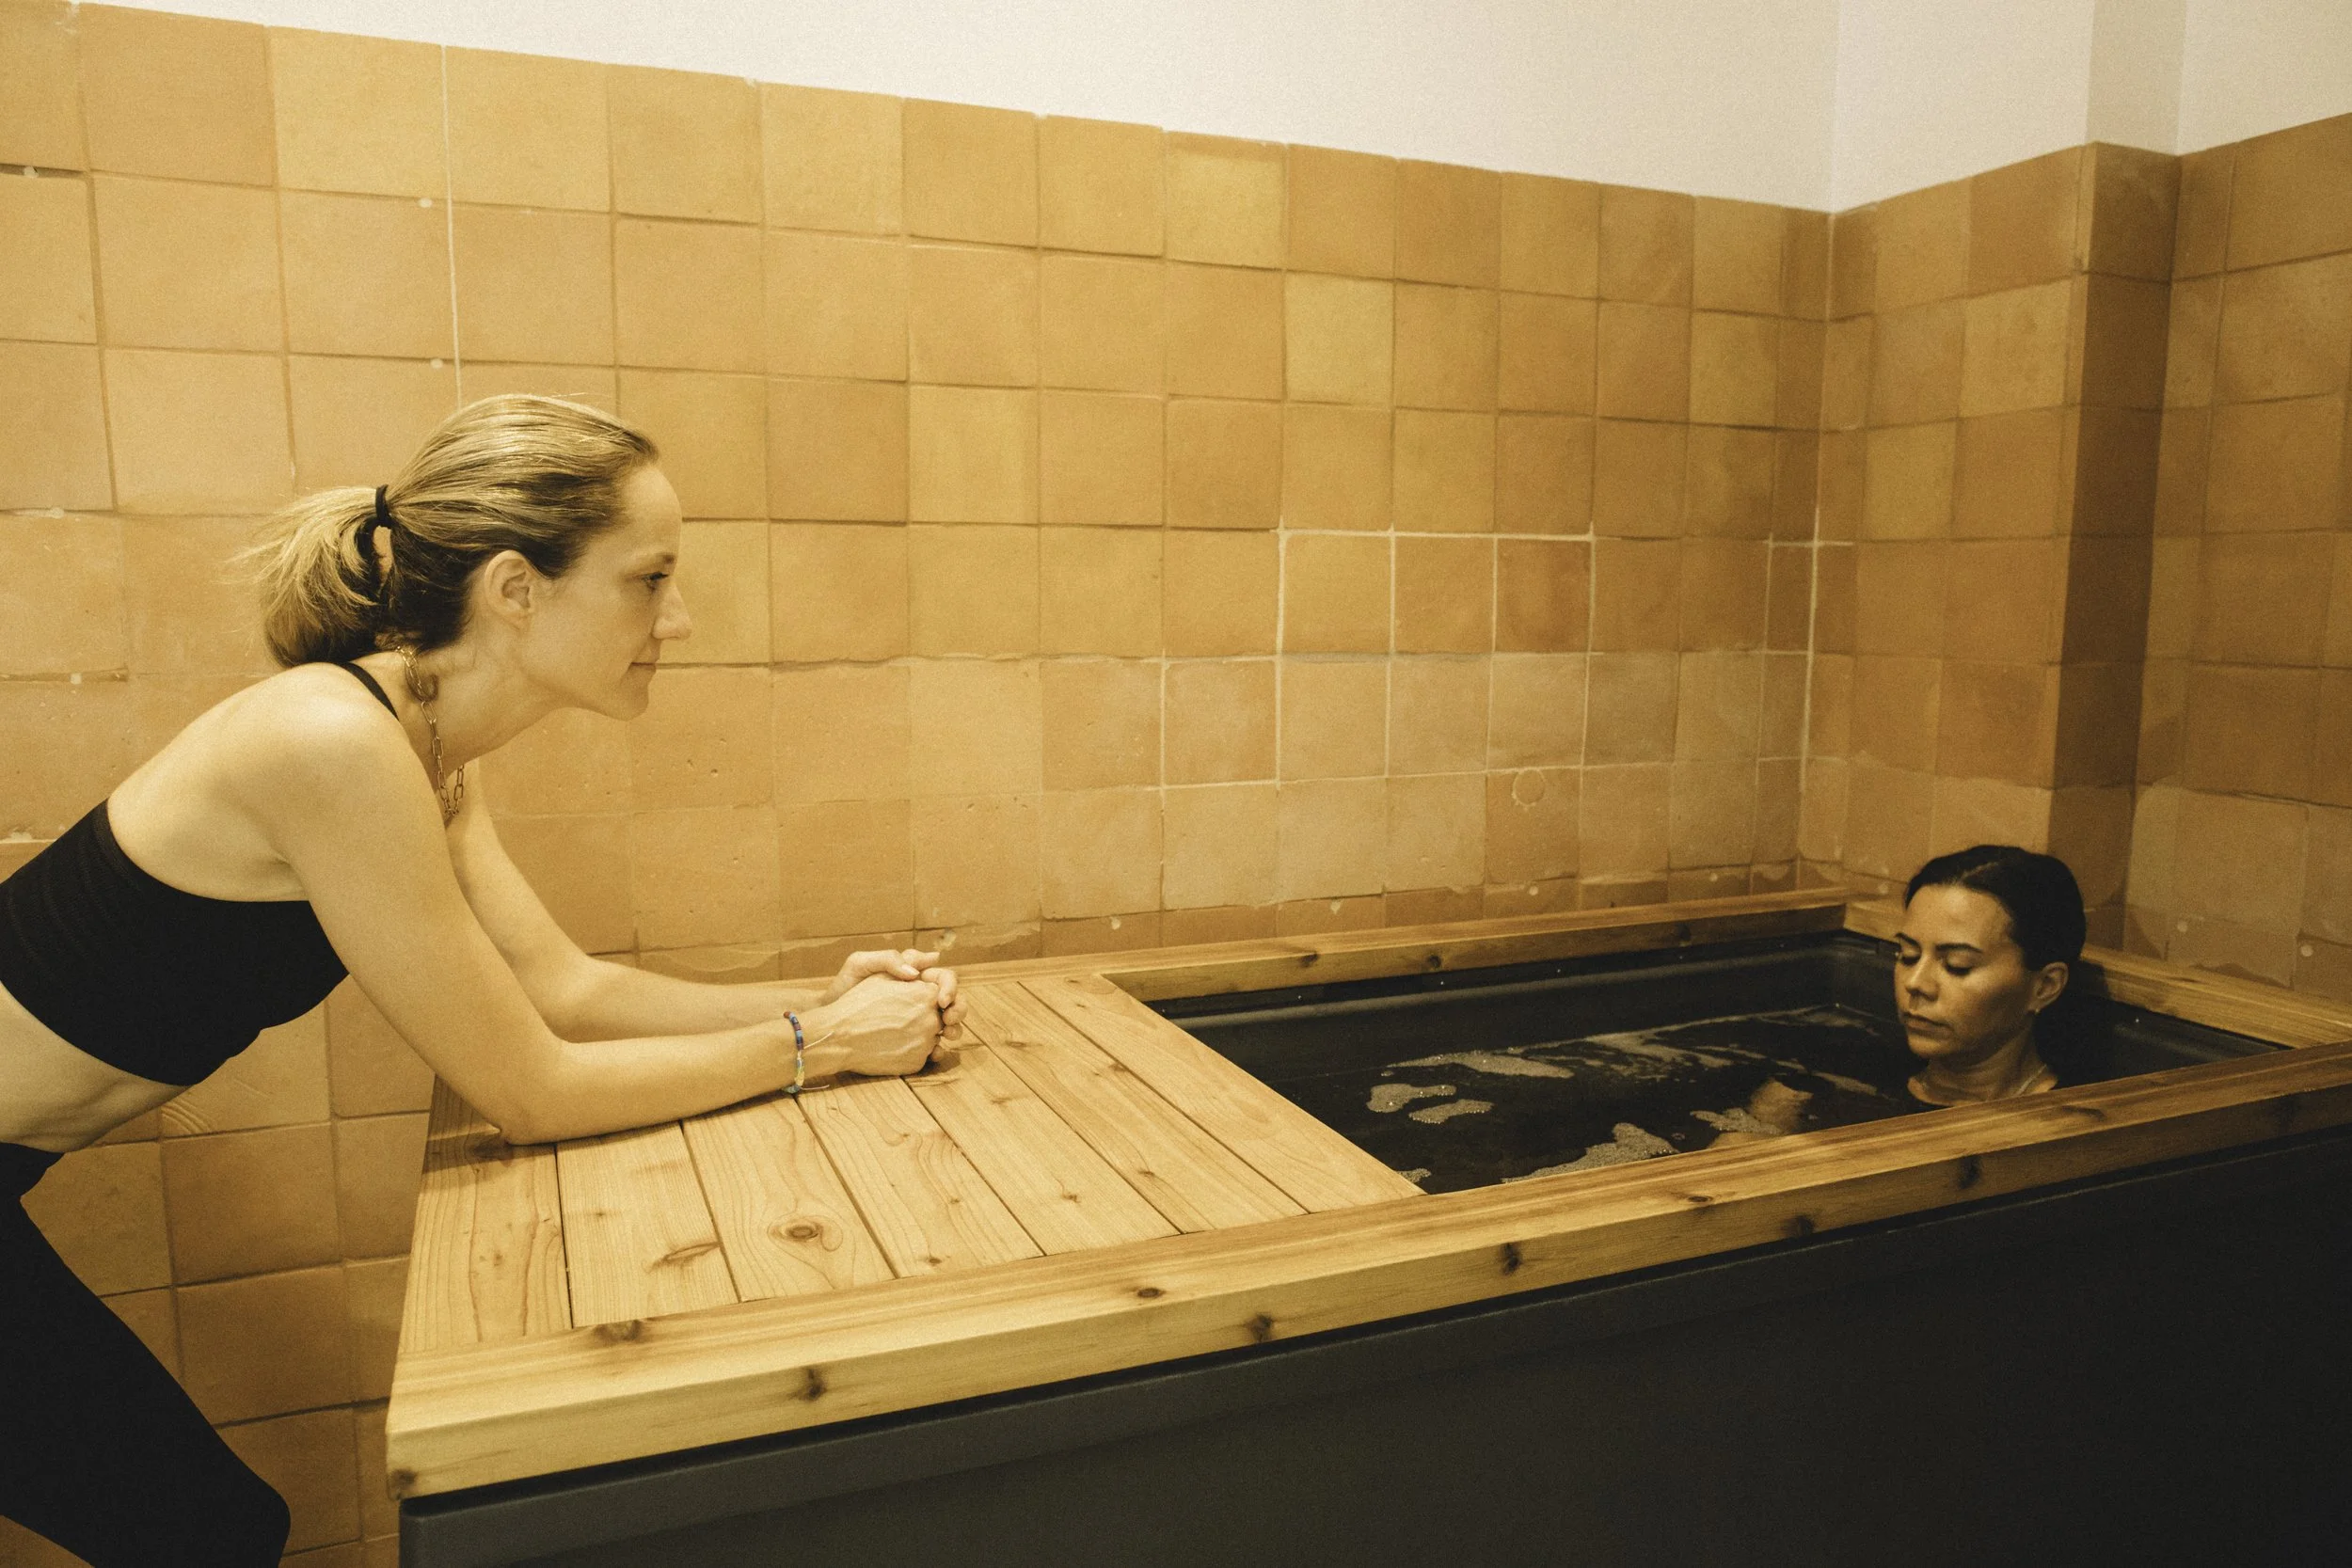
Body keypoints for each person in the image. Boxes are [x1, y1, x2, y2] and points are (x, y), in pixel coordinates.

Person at [0, 395, 964, 1566]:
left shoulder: (417, 742)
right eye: (648, 577)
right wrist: (831, 1045)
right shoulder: (331, 741)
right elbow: (534, 1087)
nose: (682, 616)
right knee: (201, 1528)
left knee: (199, 1527)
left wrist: (820, 999)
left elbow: (564, 989)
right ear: (516, 588)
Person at [1893, 845, 2087, 1107]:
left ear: (2044, 986)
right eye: (1908, 955)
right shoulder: (1861, 1071)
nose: (1915, 983)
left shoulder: (2066, 1126)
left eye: (1957, 966)